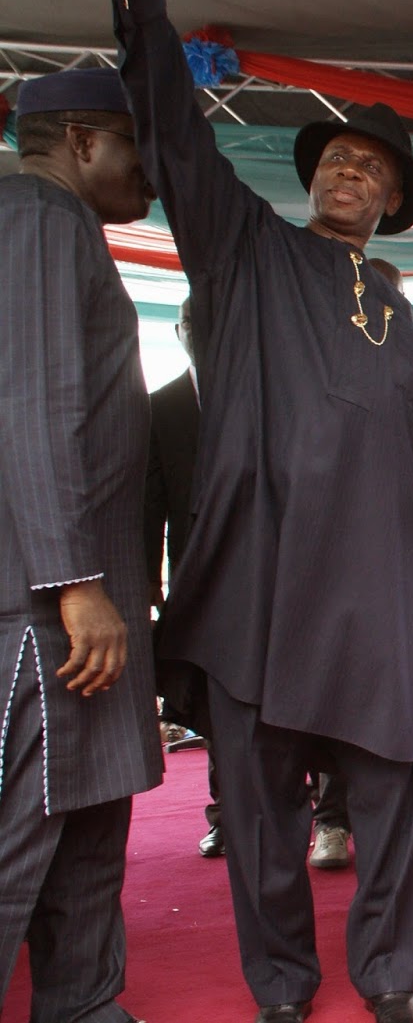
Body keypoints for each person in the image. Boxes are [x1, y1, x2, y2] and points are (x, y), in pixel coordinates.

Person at [114, 0, 413, 1020]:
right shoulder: (247, 253)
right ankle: (281, 983)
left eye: (370, 168)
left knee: (396, 787)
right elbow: (178, 139)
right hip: (265, 585)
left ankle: (389, 973)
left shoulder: (404, 322)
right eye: (337, 159)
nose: (349, 172)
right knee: (262, 805)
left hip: (379, 592)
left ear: (392, 200)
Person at [0, 66, 162, 1023]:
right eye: (136, 147)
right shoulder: (38, 218)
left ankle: (83, 1005)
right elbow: (34, 402)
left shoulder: (63, 225)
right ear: (83, 141)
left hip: (85, 593)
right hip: (48, 601)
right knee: (22, 833)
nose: (150, 173)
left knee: (91, 819)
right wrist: (74, 580)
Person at [145, 298, 227, 857]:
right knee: (214, 700)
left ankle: (327, 816)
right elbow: (149, 502)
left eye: (212, 320)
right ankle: (228, 815)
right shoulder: (159, 407)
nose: (202, 332)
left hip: (272, 578)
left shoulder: (261, 392)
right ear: (178, 332)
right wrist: (149, 579)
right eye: (193, 323)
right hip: (197, 583)